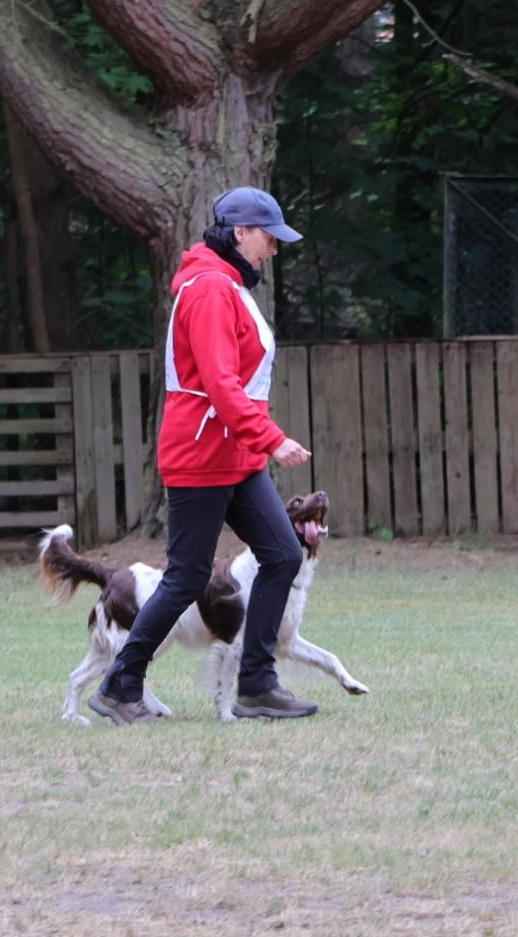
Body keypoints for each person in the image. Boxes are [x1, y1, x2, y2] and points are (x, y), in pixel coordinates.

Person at [88, 186, 317, 726]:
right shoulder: (211, 288)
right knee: (187, 577)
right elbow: (218, 381)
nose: (274, 249)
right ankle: (120, 686)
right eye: (268, 238)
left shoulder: (227, 284)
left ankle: (257, 685)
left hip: (234, 455)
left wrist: (254, 441)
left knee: (283, 555)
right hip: (203, 454)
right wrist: (270, 437)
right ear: (240, 233)